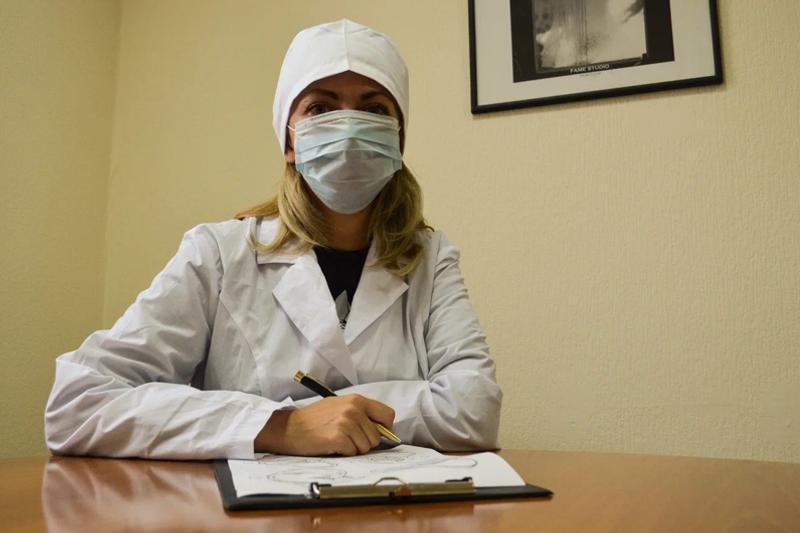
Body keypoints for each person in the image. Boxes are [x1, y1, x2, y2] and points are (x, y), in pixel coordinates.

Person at [44, 19, 501, 460]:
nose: (348, 127)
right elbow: (79, 402)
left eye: (374, 109)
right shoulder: (217, 254)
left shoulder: (431, 259)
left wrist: (333, 413)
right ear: (288, 141)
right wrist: (280, 426)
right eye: (320, 108)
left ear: (398, 142)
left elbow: (475, 409)